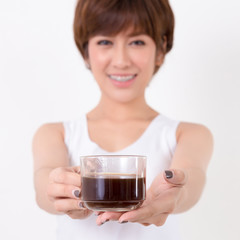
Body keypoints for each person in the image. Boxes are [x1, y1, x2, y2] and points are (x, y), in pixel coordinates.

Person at [32, 0, 213, 239]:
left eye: (137, 42)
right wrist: (59, 191)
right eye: (105, 42)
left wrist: (175, 195)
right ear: (85, 51)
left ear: (160, 50)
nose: (121, 60)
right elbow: (45, 186)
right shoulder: (55, 134)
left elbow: (191, 183)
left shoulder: (188, 134)